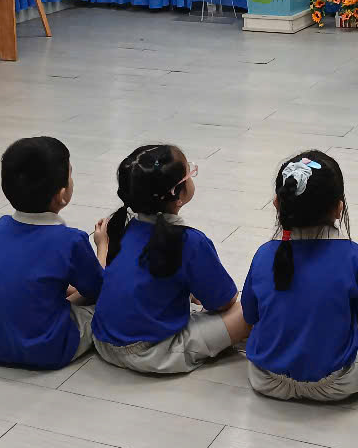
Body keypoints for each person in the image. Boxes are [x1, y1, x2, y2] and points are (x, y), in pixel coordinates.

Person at [241, 151, 358, 401]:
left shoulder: (264, 254)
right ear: (339, 208)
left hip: (266, 378)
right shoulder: (353, 255)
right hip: (338, 383)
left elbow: (250, 315)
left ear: (277, 203)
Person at [92, 144, 247, 373]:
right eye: (190, 172)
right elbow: (224, 302)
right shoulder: (190, 241)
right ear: (178, 195)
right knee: (250, 309)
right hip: (151, 352)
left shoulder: (123, 226)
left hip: (103, 339)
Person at [0, 136, 107, 370]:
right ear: (62, 195)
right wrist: (102, 246)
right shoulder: (70, 240)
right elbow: (98, 288)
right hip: (47, 349)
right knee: (101, 309)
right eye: (70, 174)